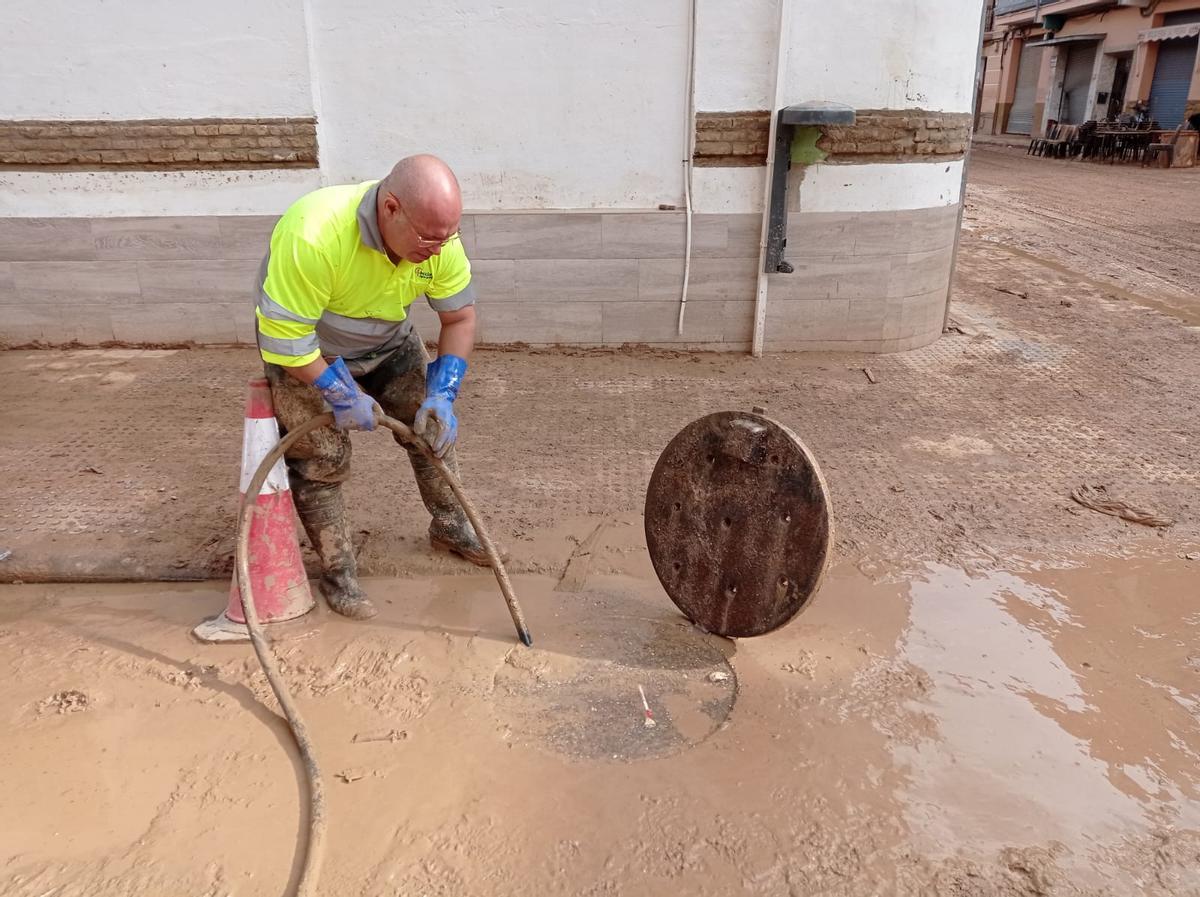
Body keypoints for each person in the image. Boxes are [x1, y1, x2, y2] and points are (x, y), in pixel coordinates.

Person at [254, 154, 487, 621]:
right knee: (323, 459)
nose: (439, 250)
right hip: (310, 350)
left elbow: (458, 318)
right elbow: (284, 339)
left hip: (389, 339)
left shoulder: (438, 242)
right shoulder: (314, 234)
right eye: (429, 238)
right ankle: (338, 572)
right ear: (391, 208)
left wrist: (444, 392)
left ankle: (450, 526)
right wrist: (339, 392)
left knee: (432, 432)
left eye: (449, 237)